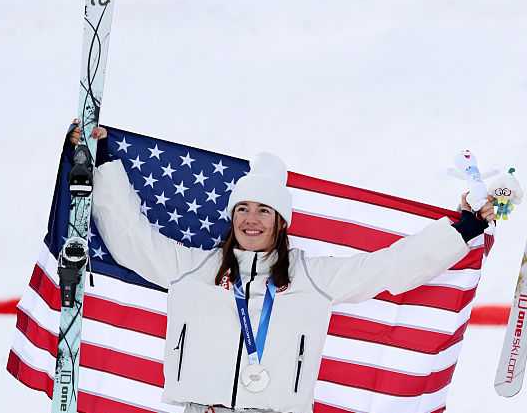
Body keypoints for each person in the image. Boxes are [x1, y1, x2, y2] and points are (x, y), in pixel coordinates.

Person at [70, 126, 496, 413]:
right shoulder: (193, 268)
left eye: (263, 210)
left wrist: (461, 230)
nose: (251, 219)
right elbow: (132, 241)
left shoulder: (310, 277)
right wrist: (103, 161)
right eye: (242, 209)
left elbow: (386, 268)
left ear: (280, 221)